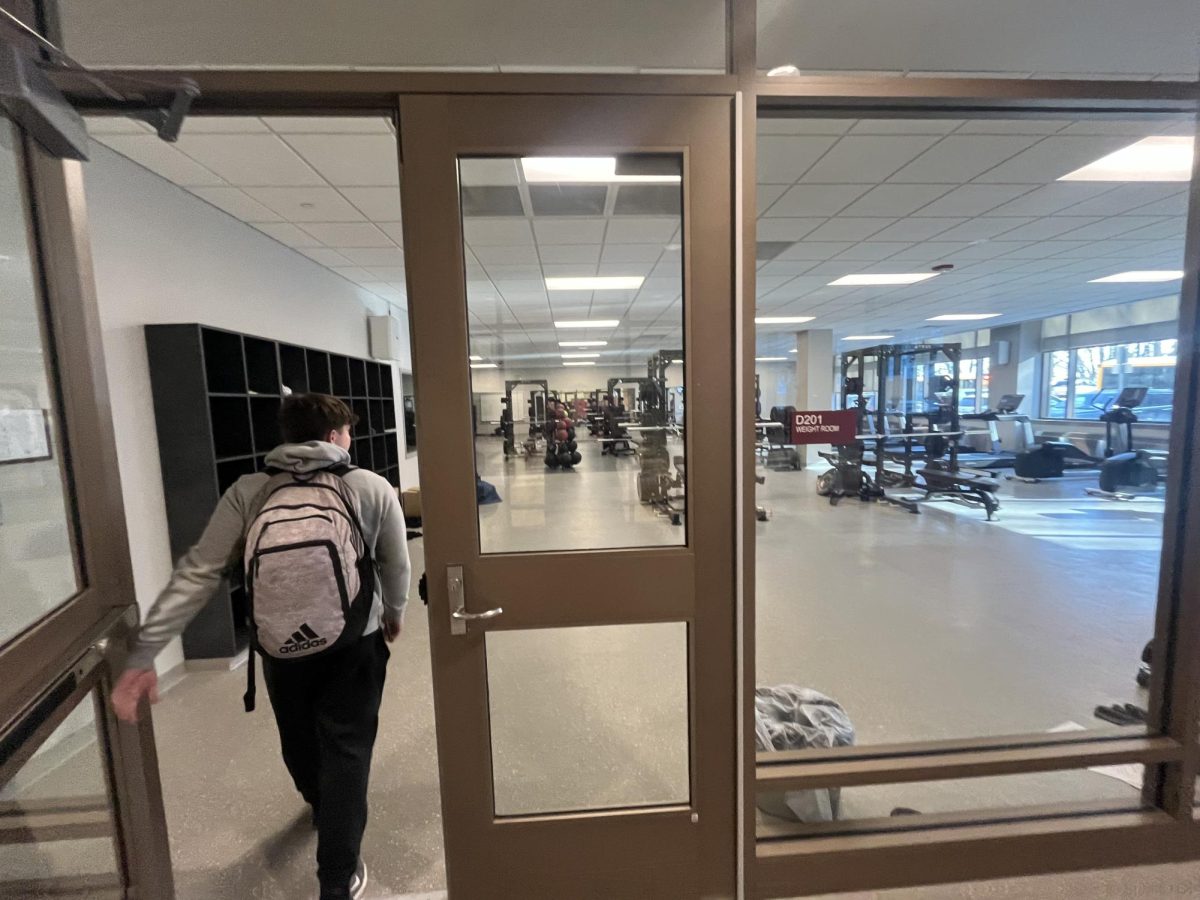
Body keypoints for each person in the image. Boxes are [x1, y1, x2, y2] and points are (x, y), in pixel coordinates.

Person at [112, 393, 411, 900]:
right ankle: (338, 877)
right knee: (348, 750)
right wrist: (394, 613)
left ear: (287, 435)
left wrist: (146, 652)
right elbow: (395, 564)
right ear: (337, 435)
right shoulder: (370, 487)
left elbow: (199, 570)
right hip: (354, 645)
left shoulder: (249, 491)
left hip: (278, 646)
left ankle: (319, 804)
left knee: (299, 740)